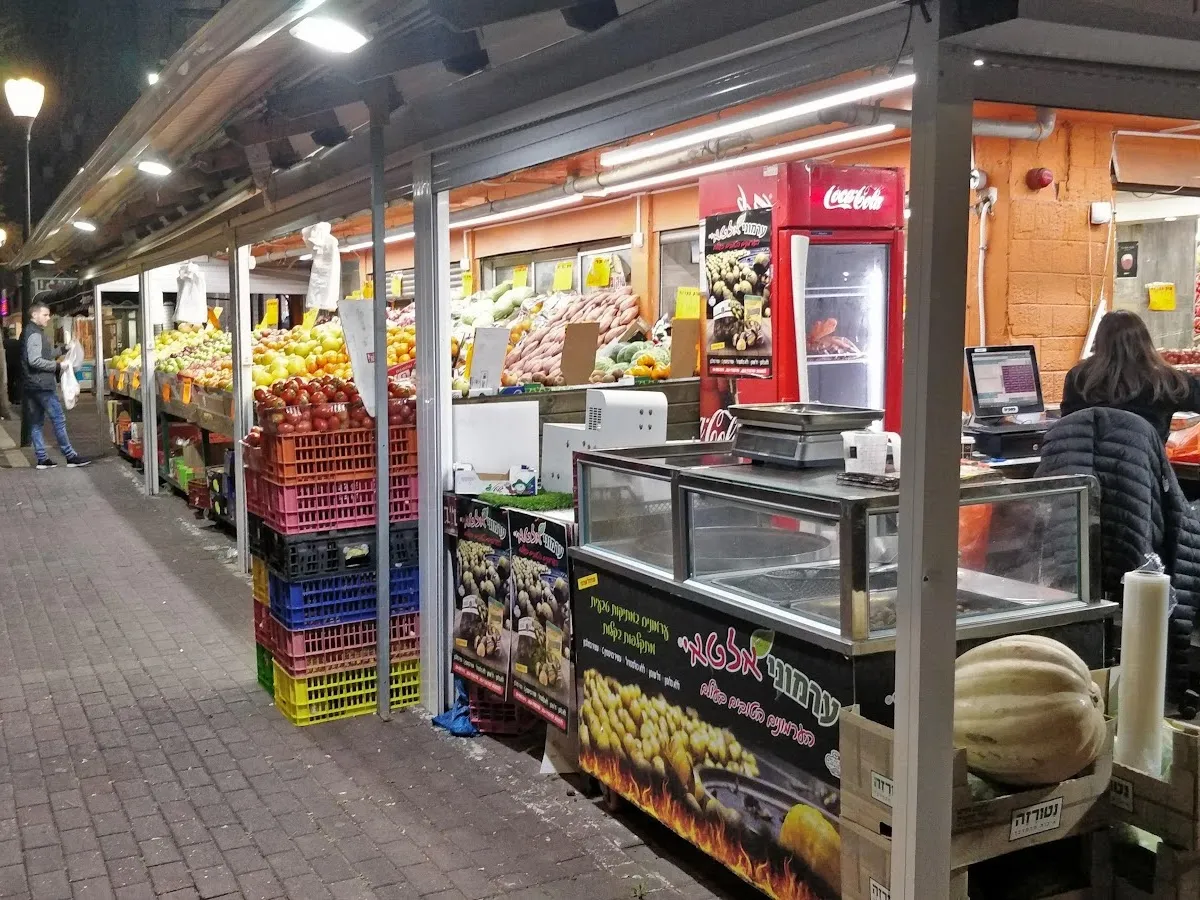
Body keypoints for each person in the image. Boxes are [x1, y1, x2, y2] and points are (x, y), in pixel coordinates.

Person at [1061, 309, 1200, 443]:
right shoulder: (1166, 381)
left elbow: (1068, 423)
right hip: (1144, 458)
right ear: (1145, 341)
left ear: (1100, 342)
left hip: (1087, 457)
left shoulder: (1078, 378)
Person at [21, 302, 90, 469]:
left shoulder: (31, 332)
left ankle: (42, 459)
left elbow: (45, 354)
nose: (48, 318)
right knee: (58, 419)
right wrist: (59, 366)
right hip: (42, 385)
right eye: (45, 315)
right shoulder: (34, 334)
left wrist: (64, 349)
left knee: (36, 423)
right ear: (34, 315)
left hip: (31, 385)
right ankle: (70, 456)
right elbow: (35, 360)